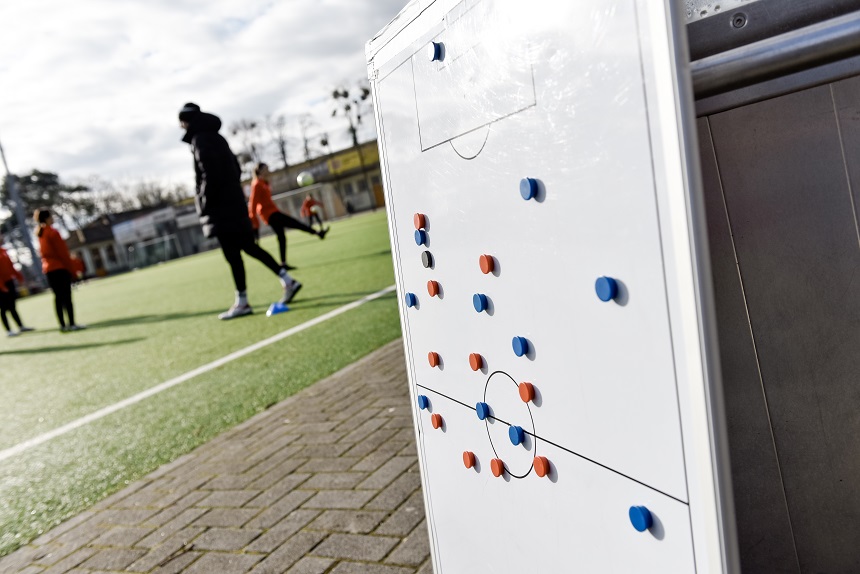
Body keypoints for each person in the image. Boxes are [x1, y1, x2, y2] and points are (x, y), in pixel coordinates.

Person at [178, 103, 302, 319]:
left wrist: (205, 202)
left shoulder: (200, 140)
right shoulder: (218, 137)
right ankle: (287, 280)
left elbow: (208, 174)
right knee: (248, 247)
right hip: (234, 203)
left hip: (220, 208)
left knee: (233, 255)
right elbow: (234, 170)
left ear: (187, 121)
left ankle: (243, 303)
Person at [249, 163, 328, 271]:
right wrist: (253, 220)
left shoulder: (265, 183)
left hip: (273, 212)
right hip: (269, 214)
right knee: (294, 224)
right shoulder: (257, 183)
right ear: (260, 171)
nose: (269, 170)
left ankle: (283, 263)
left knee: (282, 237)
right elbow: (253, 203)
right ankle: (318, 233)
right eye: (266, 169)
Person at [34, 208, 85, 332]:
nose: (53, 219)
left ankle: (62, 325)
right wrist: (72, 269)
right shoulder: (52, 232)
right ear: (47, 218)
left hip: (48, 270)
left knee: (57, 297)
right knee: (66, 297)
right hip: (59, 268)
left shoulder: (40, 233)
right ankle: (72, 323)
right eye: (51, 217)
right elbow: (63, 253)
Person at [0, 234, 34, 337]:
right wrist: (1, 286)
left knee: (12, 306)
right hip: (1, 285)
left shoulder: (4, 251)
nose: (1, 237)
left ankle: (20, 326)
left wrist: (19, 278)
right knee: (3, 308)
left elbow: (11, 267)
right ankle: (8, 330)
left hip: (9, 282)